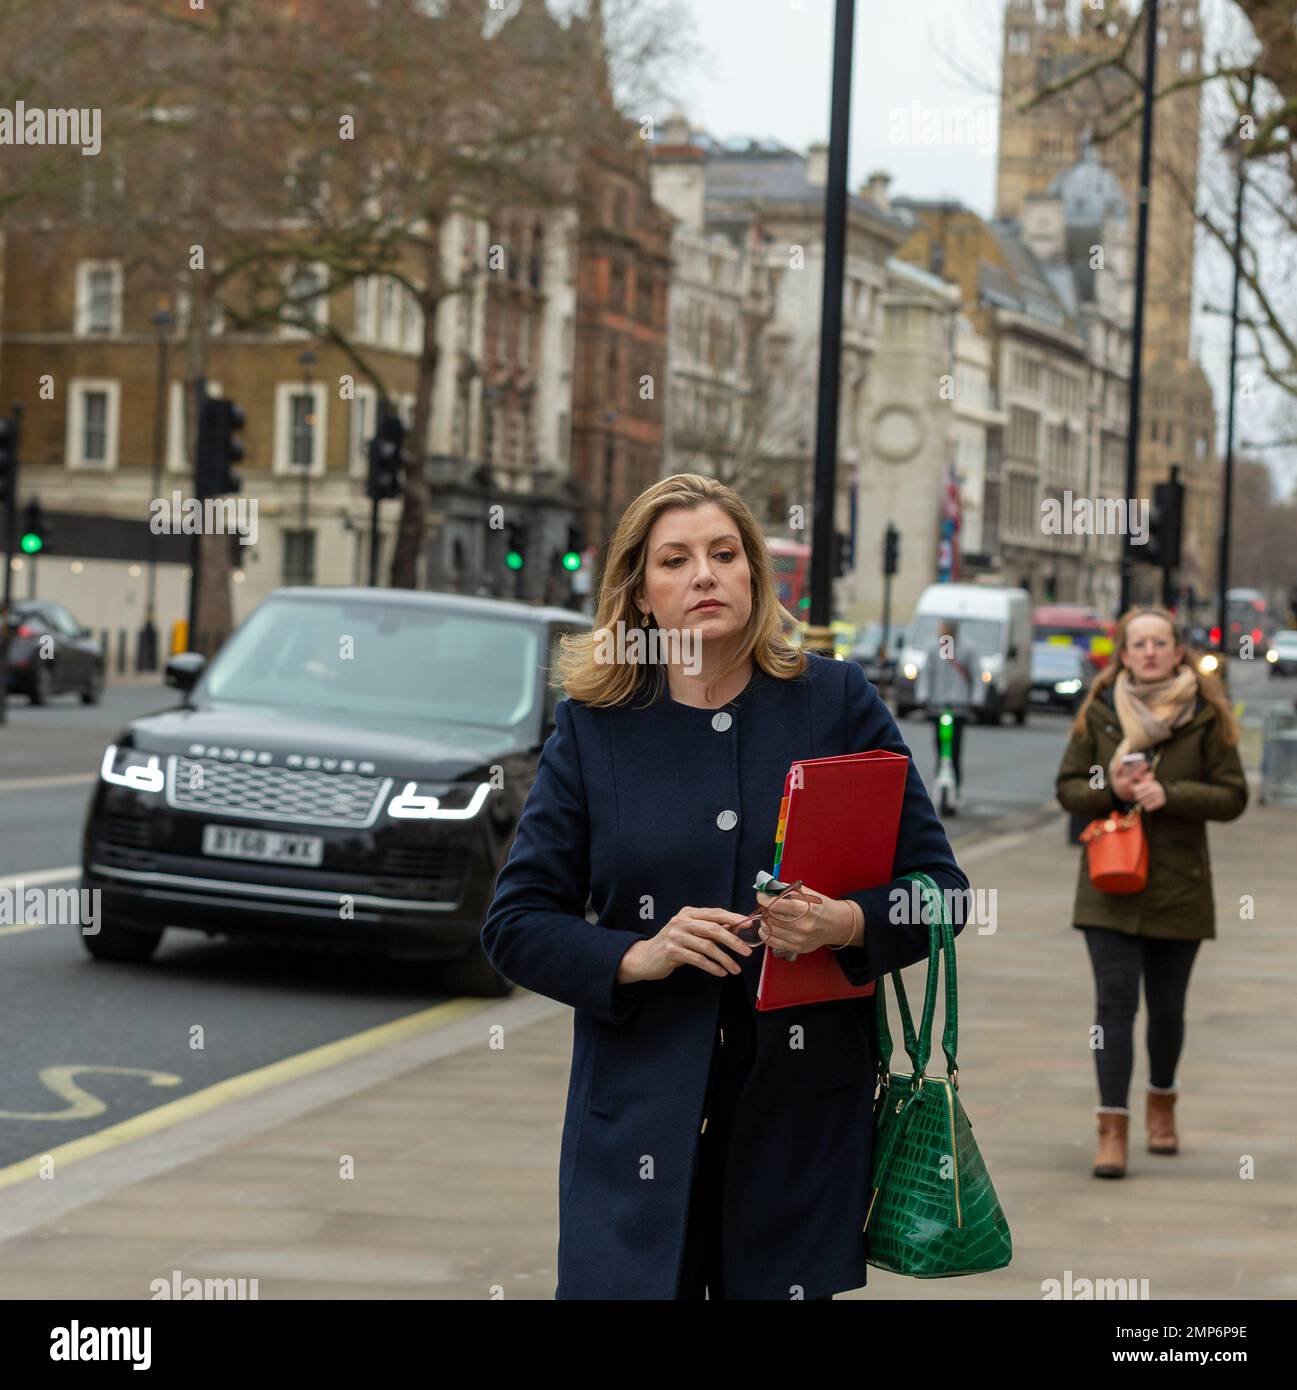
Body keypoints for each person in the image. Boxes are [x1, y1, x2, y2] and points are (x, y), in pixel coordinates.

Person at [481, 473, 971, 1300]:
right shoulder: (595, 725)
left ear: (753, 575)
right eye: (675, 560)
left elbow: (944, 893)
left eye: (723, 553)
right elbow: (516, 922)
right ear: (639, 594)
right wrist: (637, 955)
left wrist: (847, 924)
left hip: (801, 1119)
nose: (704, 574)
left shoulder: (836, 701)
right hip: (634, 1125)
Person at [1055, 606, 1247, 1180]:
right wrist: (1107, 787)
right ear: (1124, 651)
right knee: (1113, 1007)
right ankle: (1111, 1130)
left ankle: (1161, 1103)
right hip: (1108, 885)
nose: (1149, 653)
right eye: (1138, 643)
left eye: (1160, 642)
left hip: (1179, 888)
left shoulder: (1206, 715)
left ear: (1176, 649)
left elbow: (1233, 794)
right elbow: (1068, 787)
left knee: (1167, 1011)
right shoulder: (1100, 710)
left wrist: (1175, 794)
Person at [916, 618, 979, 806]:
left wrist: (976, 698)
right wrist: (923, 695)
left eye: (942, 627)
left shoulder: (967, 648)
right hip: (938, 705)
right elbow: (927, 673)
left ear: (951, 629)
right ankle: (939, 783)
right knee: (940, 748)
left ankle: (957, 789)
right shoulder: (933, 647)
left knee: (955, 750)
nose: (939, 629)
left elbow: (976, 673)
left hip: (959, 706)